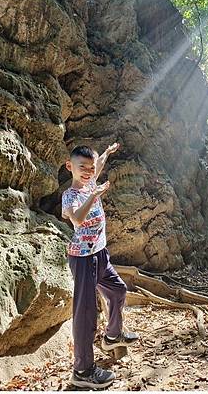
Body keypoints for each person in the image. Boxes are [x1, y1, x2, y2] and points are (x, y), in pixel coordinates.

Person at [61, 143, 139, 389]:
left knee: (118, 291)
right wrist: (93, 196)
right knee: (85, 315)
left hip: (100, 254)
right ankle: (83, 370)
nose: (87, 172)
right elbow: (77, 219)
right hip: (83, 259)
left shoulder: (91, 180)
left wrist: (106, 152)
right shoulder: (71, 195)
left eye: (90, 168)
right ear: (69, 167)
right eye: (81, 167)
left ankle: (113, 335)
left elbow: (99, 164)